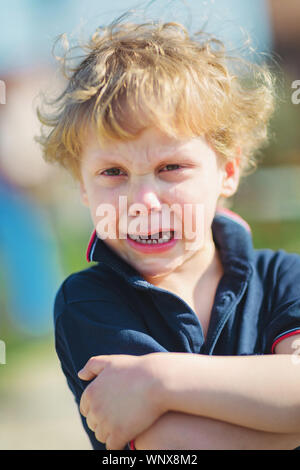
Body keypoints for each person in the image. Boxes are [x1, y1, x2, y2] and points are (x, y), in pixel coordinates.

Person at [36, 14, 300, 450]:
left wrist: (161, 379)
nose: (143, 201)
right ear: (83, 187)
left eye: (170, 167)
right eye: (113, 172)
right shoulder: (87, 301)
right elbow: (168, 446)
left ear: (228, 171)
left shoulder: (283, 277)